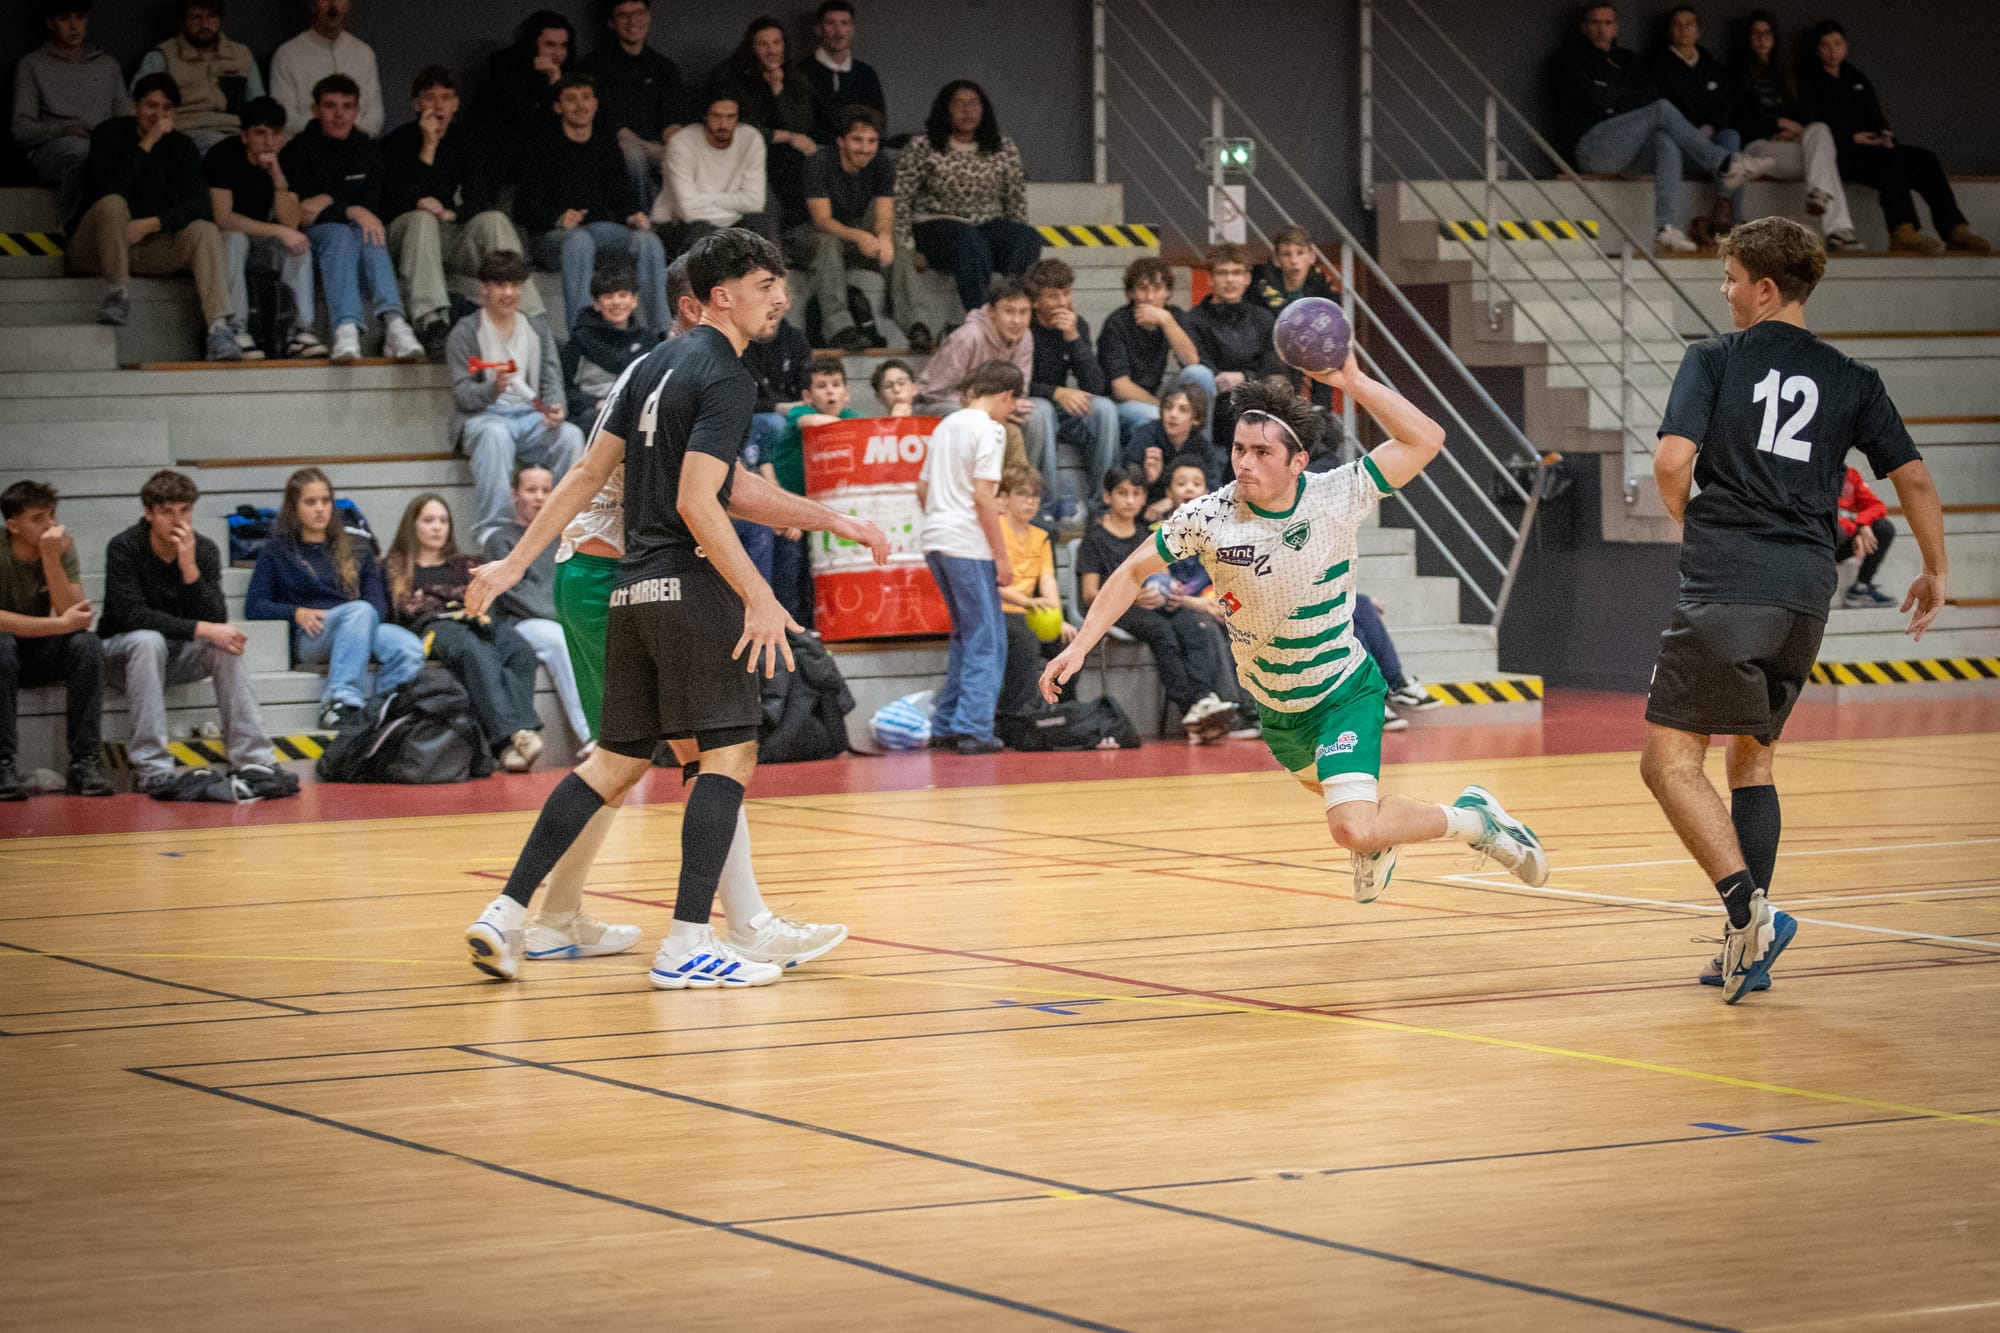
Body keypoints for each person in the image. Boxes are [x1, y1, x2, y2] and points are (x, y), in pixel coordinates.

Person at [460, 226, 891, 988]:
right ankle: (693, 938)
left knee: (617, 760)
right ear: (716, 298)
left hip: (628, 583)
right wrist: (759, 593)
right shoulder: (726, 374)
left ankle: (511, 909)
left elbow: (595, 473)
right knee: (725, 754)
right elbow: (702, 498)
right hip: (682, 581)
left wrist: (514, 561)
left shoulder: (649, 367)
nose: (781, 299)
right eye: (766, 287)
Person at [1047, 376, 1548, 906]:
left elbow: (1426, 439)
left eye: (1262, 452)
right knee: (1363, 822)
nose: (1245, 463)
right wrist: (1079, 646)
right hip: (1278, 708)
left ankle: (1475, 821)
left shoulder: (1337, 494)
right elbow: (1131, 571)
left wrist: (1351, 380)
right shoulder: (1208, 517)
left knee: (1351, 827)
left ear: (1297, 462)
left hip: (1342, 691)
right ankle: (1382, 841)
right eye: (1239, 449)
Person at [1643, 216, 1947, 1002]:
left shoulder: (1714, 358)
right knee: (1754, 759)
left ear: (1766, 288)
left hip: (1728, 581)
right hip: (1807, 591)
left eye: (1732, 278)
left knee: (1668, 763)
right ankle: (1745, 951)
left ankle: (1753, 913)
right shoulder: (1854, 377)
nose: (1725, 290)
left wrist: (1690, 520)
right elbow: (1913, 477)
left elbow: (1672, 461)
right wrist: (1934, 568)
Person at [99, 469, 292, 799]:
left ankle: (254, 759)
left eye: (185, 510)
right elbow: (132, 615)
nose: (178, 521)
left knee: (226, 643)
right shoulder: (124, 547)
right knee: (148, 640)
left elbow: (217, 619)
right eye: (167, 512)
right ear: (149, 513)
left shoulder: (203, 549)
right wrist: (202, 629)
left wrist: (189, 567)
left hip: (176, 656)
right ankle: (153, 769)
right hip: (122, 657)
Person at [1555, 3, 1770, 253]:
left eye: (1608, 23)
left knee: (1665, 141)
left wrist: (1612, 97)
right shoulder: (1569, 59)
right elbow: (1593, 98)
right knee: (1661, 109)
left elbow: (1642, 97)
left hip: (1630, 153)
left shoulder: (1628, 60)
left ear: (1616, 28)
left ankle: (1665, 227)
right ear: (1584, 27)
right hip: (1593, 147)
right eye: (1594, 23)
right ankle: (1725, 163)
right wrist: (1621, 100)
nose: (1602, 29)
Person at [68, 73, 241, 360]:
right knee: (112, 203)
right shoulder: (109, 133)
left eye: (166, 108)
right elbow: (108, 186)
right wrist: (148, 141)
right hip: (97, 246)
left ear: (175, 112)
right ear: (135, 106)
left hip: (147, 246)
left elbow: (200, 204)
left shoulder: (182, 146)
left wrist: (153, 224)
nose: (159, 115)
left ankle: (218, 328)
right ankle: (117, 293)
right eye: (151, 106)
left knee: (204, 230)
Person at [244, 466, 424, 730]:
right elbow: (255, 606)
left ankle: (384, 713)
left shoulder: (357, 546)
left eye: (325, 501)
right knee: (359, 611)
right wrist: (295, 613)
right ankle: (339, 701)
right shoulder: (277, 550)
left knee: (408, 647)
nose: (320, 509)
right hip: (313, 634)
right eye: (310, 502)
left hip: (359, 624)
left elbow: (377, 605)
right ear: (294, 507)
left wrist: (359, 626)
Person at [382, 66, 544, 358]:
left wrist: (451, 214)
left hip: (450, 234)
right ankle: (432, 322)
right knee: (422, 219)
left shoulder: (467, 140)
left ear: (455, 104)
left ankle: (531, 318)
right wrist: (428, 146)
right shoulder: (397, 142)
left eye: (446, 98)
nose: (438, 106)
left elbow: (480, 198)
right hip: (407, 238)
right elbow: (395, 201)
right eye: (430, 98)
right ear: (416, 104)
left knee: (494, 220)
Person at [1074, 464, 1241, 742]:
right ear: (1107, 497)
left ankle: (1204, 698)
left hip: (1153, 602)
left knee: (1192, 626)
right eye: (1122, 493)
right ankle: (1190, 706)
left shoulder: (1146, 534)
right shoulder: (1094, 539)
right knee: (1161, 632)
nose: (1129, 500)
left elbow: (1162, 574)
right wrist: (1134, 595)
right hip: (1119, 609)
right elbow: (1090, 594)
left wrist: (1171, 589)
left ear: (1144, 497)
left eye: (1136, 493)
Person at [385, 493, 545, 773]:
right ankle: (511, 738)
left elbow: (485, 597)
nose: (437, 527)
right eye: (429, 520)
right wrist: (453, 600)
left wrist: (445, 597)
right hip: (434, 627)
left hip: (476, 619)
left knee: (519, 650)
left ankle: (519, 737)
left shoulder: (466, 564)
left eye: (443, 521)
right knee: (475, 650)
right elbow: (406, 606)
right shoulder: (396, 566)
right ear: (413, 525)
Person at [1800, 21, 1987, 256]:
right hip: (1841, 154)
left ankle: (1954, 229)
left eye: (1837, 44)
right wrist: (1851, 137)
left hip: (1872, 149)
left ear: (1845, 46)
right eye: (1826, 45)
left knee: (1925, 159)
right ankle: (1902, 230)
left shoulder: (1856, 77)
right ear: (1817, 50)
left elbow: (1876, 115)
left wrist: (1884, 136)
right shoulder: (1810, 80)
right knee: (1891, 161)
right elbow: (1812, 125)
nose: (1832, 50)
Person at [281, 73, 424, 363]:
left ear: (357, 109)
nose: (339, 114)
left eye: (347, 106)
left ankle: (395, 323)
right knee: (342, 232)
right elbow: (302, 213)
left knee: (368, 230)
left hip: (357, 233)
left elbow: (372, 206)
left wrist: (330, 200)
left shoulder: (367, 148)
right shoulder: (298, 149)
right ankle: (346, 328)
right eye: (330, 106)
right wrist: (349, 208)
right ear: (316, 109)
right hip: (315, 236)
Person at [918, 359, 1020, 754]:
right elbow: (982, 496)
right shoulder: (991, 430)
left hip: (935, 538)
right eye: (1013, 403)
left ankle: (946, 723)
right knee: (987, 640)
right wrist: (1001, 556)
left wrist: (941, 519)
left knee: (965, 635)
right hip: (967, 543)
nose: (1012, 411)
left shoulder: (945, 425)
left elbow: (922, 489)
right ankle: (974, 728)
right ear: (1006, 395)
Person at [447, 250, 584, 544]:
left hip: (530, 418)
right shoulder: (466, 331)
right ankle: (496, 530)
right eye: (499, 285)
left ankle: (564, 523)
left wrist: (556, 407)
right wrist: (492, 389)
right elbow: (463, 395)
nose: (508, 293)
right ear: (484, 287)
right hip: (485, 417)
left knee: (570, 436)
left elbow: (551, 378)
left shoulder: (536, 328)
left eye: (514, 285)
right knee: (494, 435)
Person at [517, 73, 669, 333]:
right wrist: (557, 218)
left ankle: (657, 333)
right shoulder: (541, 147)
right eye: (571, 99)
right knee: (579, 241)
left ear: (596, 104)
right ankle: (585, 335)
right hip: (554, 237)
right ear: (558, 107)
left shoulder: (605, 144)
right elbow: (522, 209)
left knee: (647, 240)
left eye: (586, 98)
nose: (580, 105)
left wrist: (633, 214)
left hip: (602, 231)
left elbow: (621, 196)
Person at [0, 480, 110, 800]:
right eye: (38, 519)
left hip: (36, 649)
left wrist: (50, 559)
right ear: (13, 526)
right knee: (2, 645)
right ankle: (3, 763)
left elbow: (72, 615)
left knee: (87, 645)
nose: (50, 526)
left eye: (52, 515)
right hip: (6, 651)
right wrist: (58, 625)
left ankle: (84, 763)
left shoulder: (59, 548)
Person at [893, 80, 1040, 315]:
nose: (967, 110)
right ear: (946, 110)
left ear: (984, 109)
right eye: (959, 104)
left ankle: (1011, 306)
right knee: (969, 241)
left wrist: (1014, 233)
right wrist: (906, 249)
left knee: (1027, 237)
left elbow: (1016, 200)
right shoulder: (922, 146)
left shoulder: (1003, 146)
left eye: (973, 103)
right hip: (936, 226)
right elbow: (901, 198)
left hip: (987, 225)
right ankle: (982, 317)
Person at [207, 96, 327, 360]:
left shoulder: (287, 159)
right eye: (260, 133)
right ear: (244, 136)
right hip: (223, 244)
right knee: (236, 239)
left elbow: (291, 222)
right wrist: (279, 231)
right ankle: (236, 328)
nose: (269, 142)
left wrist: (278, 180)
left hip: (261, 242)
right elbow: (223, 219)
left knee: (299, 245)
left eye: (276, 133)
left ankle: (301, 332)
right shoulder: (223, 155)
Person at [481, 466, 591, 753]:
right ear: (514, 494)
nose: (539, 497)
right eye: (531, 490)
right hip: (521, 623)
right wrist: (564, 616)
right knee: (558, 638)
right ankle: (591, 737)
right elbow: (513, 595)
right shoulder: (499, 539)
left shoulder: (565, 536)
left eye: (546, 490)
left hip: (565, 617)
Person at [1731, 10, 1858, 252]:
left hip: (1791, 145)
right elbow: (1739, 122)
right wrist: (1777, 126)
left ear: (1775, 37)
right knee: (1824, 162)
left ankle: (1822, 199)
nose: (1762, 39)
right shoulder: (1736, 73)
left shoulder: (1788, 73)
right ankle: (1839, 229)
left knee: (1819, 129)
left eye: (1767, 33)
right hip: (1758, 148)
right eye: (1756, 33)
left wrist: (1796, 133)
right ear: (1748, 38)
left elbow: (1804, 115)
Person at [763, 353, 862, 625]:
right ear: (807, 396)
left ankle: (825, 621)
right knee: (792, 559)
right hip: (789, 506)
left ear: (847, 394)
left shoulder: (852, 417)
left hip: (825, 511)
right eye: (821, 386)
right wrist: (853, 429)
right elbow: (813, 424)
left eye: (836, 385)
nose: (830, 391)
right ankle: (793, 625)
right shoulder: (802, 414)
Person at [12, 1, 131, 223]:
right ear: (50, 23)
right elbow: (21, 130)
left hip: (103, 144)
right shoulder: (32, 64)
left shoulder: (108, 65)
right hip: (55, 147)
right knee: (82, 153)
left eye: (79, 17)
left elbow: (125, 122)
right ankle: (76, 228)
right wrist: (66, 129)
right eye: (64, 18)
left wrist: (106, 135)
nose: (74, 26)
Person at [792, 104, 897, 352]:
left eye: (872, 141)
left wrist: (884, 237)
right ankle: (840, 328)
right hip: (808, 235)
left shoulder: (882, 164)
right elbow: (822, 220)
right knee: (827, 243)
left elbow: (884, 214)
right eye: (857, 140)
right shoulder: (819, 163)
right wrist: (859, 236)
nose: (865, 148)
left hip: (851, 235)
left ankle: (917, 324)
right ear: (841, 141)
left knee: (897, 245)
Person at [1024, 258, 1121, 505]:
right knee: (1042, 410)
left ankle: (1103, 503)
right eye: (1053, 296)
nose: (1062, 302)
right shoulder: (1024, 325)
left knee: (1104, 408)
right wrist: (1055, 392)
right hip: (1031, 405)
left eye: (1066, 293)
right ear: (1035, 301)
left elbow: (1096, 387)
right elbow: (1018, 382)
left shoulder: (1077, 325)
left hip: (1061, 407)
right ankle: (1045, 505)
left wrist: (1074, 337)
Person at [583, 0, 690, 211]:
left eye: (638, 13)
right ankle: (645, 221)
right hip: (616, 148)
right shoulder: (594, 66)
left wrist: (674, 148)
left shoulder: (664, 67)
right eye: (623, 15)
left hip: (658, 146)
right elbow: (614, 127)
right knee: (632, 153)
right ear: (611, 22)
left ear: (648, 16)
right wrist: (651, 150)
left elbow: (673, 119)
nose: (633, 21)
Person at [718, 16, 818, 239]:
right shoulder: (730, 77)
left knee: (812, 161)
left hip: (783, 158)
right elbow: (736, 128)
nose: (771, 50)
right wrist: (786, 136)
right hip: (743, 157)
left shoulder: (795, 78)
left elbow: (801, 126)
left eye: (776, 43)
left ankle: (796, 236)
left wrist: (777, 88)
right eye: (763, 44)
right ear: (751, 48)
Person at [1649, 6, 1742, 231]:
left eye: (1689, 25)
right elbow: (1658, 109)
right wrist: (1690, 134)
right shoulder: (1657, 66)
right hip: (1678, 147)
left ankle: (1726, 209)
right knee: (1733, 163)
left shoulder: (1711, 67)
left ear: (1698, 31)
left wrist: (1710, 126)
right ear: (1669, 31)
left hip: (1709, 140)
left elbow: (1725, 104)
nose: (1683, 30)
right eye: (1677, 25)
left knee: (1731, 137)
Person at [1097, 256, 1211, 439]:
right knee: (1157, 417)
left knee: (1201, 374)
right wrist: (1164, 407)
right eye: (1142, 289)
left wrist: (1166, 321)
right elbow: (1121, 388)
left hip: (1159, 392)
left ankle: (1202, 447)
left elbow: (1191, 360)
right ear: (1131, 294)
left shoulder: (1172, 316)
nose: (1150, 297)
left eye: (1157, 289)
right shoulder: (1116, 324)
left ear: (1167, 292)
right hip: (1123, 404)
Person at [995, 466, 1076, 718]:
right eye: (1022, 494)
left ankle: (1061, 712)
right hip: (999, 610)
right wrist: (1026, 603)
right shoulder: (994, 530)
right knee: (1026, 640)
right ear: (1004, 499)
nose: (1030, 501)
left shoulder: (1041, 536)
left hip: (1030, 613)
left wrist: (1058, 619)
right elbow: (991, 582)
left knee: (1070, 643)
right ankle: (1016, 714)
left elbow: (1048, 579)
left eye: (1034, 496)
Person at [130, 0, 262, 156]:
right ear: (182, 22)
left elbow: (260, 105)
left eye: (211, 16)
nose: (205, 24)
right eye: (196, 17)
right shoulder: (162, 56)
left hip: (237, 135)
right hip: (185, 136)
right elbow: (136, 105)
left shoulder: (241, 55)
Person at [1182, 243, 1285, 439]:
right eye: (1222, 273)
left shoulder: (1264, 318)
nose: (1230, 279)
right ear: (1210, 278)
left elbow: (1273, 366)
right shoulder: (1193, 320)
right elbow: (1199, 366)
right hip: (1213, 403)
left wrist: (1244, 377)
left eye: (1236, 272)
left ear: (1247, 278)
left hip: (1255, 400)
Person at [474, 10, 573, 192]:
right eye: (550, 45)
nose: (558, 54)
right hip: (506, 164)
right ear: (532, 44)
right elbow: (535, 125)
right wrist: (554, 82)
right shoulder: (506, 74)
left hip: (548, 161)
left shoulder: (569, 72)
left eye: (563, 46)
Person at [657, 91, 770, 246]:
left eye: (731, 117)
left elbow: (755, 202)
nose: (724, 125)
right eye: (717, 116)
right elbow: (688, 210)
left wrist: (702, 199)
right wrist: (736, 205)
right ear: (705, 116)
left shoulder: (750, 138)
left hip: (728, 221)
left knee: (760, 220)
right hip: (680, 224)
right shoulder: (682, 142)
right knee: (704, 232)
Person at [562, 260, 664, 426]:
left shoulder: (648, 341)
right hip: (593, 415)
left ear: (634, 300)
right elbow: (566, 389)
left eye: (622, 295)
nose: (616, 302)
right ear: (597, 304)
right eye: (608, 296)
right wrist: (595, 403)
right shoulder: (579, 342)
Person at [269, 0, 382, 140]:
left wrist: (351, 136)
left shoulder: (364, 53)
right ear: (313, 5)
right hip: (306, 147)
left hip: (357, 147)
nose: (333, 6)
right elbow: (283, 114)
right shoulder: (287, 54)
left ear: (348, 5)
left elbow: (375, 112)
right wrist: (325, 135)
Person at [1122, 383, 1223, 512]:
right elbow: (1125, 482)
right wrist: (1147, 479)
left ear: (1196, 419)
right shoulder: (1145, 437)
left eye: (1183, 410)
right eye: (1168, 407)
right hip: (1147, 511)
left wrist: (1174, 501)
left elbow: (1215, 490)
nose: (1173, 414)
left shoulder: (1203, 448)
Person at [805, 1, 886, 145]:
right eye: (830, 23)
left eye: (844, 23)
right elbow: (800, 125)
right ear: (818, 29)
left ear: (852, 30)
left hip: (860, 152)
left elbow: (878, 124)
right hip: (815, 150)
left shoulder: (867, 74)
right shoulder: (800, 72)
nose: (838, 32)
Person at [1835, 464, 1897, 609]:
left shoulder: (1850, 474)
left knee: (1884, 528)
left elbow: (1877, 506)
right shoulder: (1812, 470)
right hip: (1820, 539)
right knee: (1835, 529)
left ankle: (1861, 588)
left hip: (1845, 538)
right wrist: (1856, 529)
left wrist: (1862, 525)